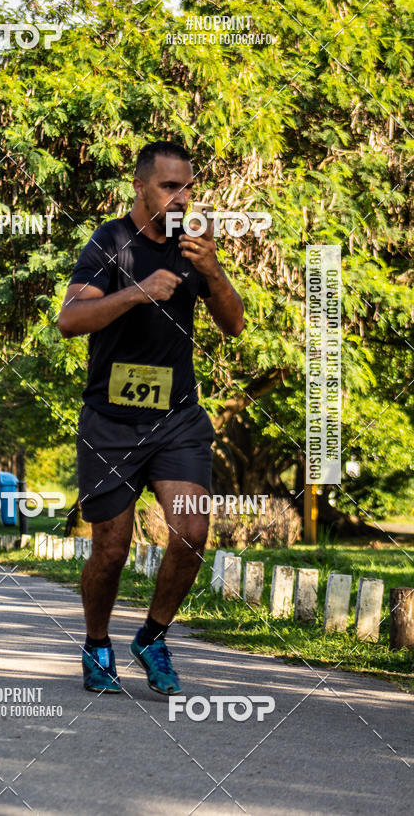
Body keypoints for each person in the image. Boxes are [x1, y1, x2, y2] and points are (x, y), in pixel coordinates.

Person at [57, 140, 244, 695]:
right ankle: (96, 643)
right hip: (112, 421)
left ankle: (153, 636)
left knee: (190, 532)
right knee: (111, 547)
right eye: (169, 186)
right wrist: (135, 293)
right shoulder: (110, 242)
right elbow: (70, 319)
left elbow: (233, 324)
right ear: (139, 187)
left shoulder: (194, 244)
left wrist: (212, 270)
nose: (182, 196)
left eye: (188, 186)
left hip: (177, 418)